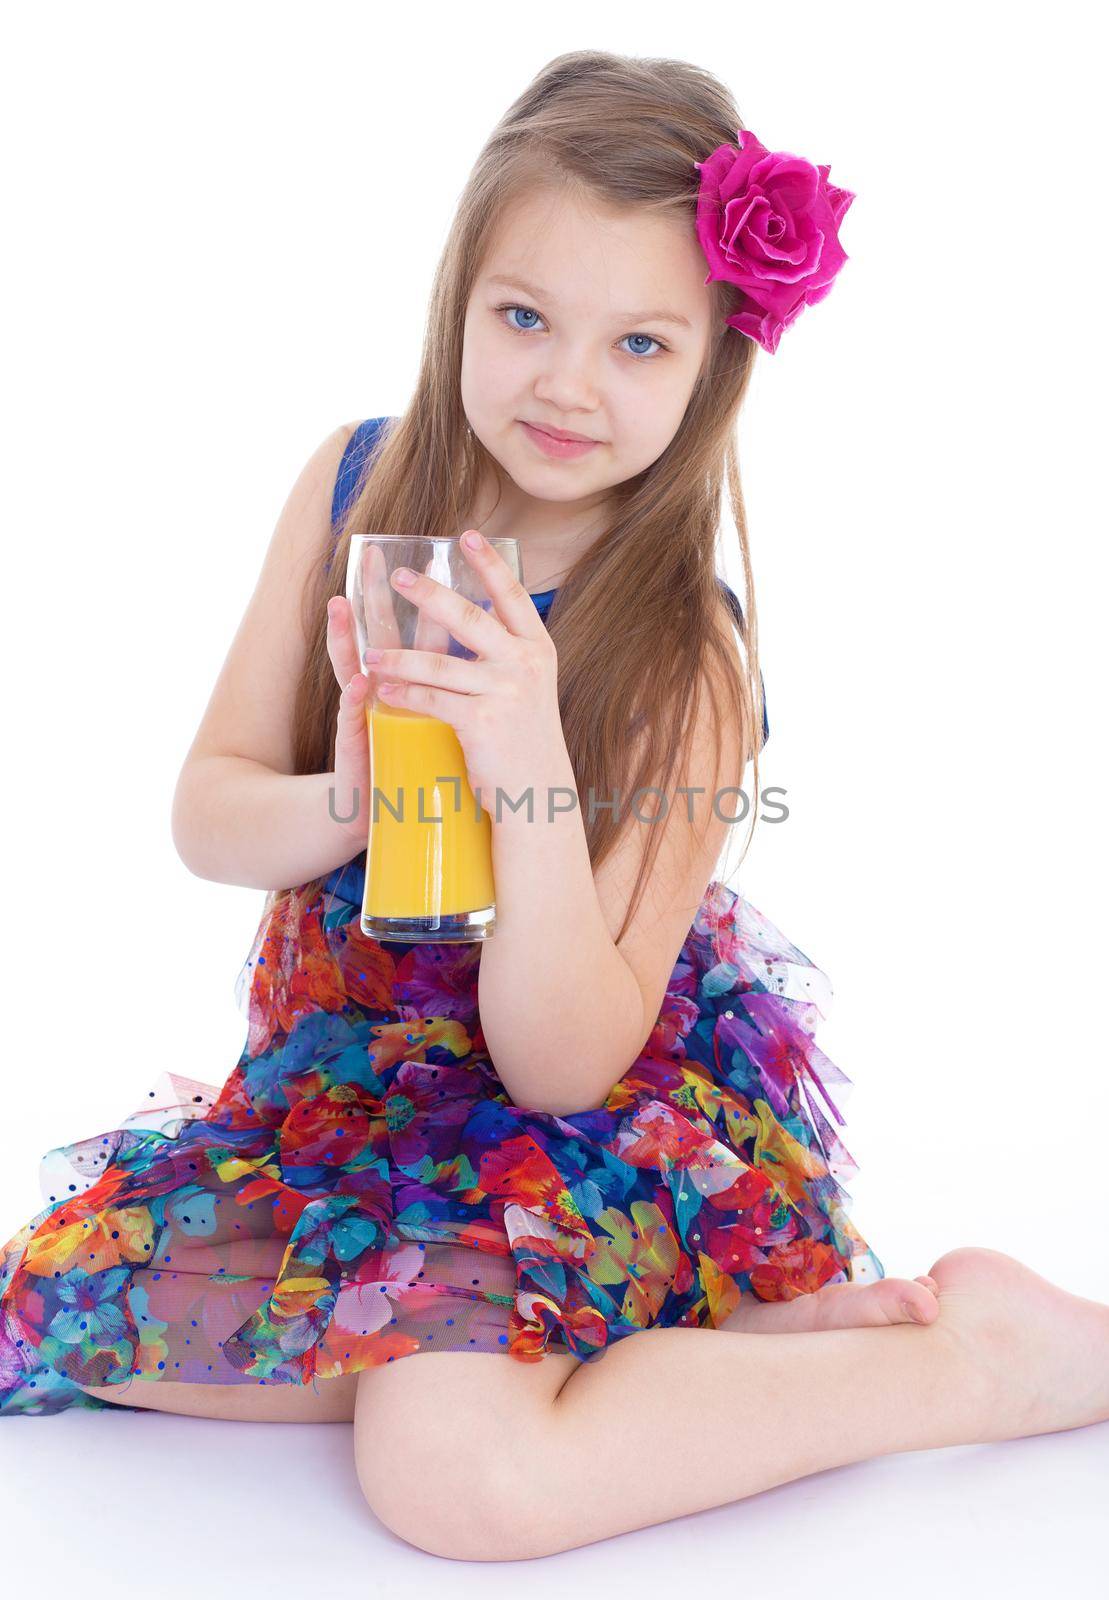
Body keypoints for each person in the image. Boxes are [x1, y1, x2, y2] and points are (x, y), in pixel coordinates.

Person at [2, 47, 1106, 1561]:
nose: (567, 384)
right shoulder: (357, 488)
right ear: (456, 301)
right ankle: (679, 1339)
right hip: (353, 1105)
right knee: (65, 1329)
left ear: (714, 359)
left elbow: (560, 1064)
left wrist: (523, 765)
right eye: (523, 318)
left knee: (453, 1479)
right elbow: (209, 813)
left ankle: (964, 1365)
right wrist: (354, 789)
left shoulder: (681, 653)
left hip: (586, 1117)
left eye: (639, 345)